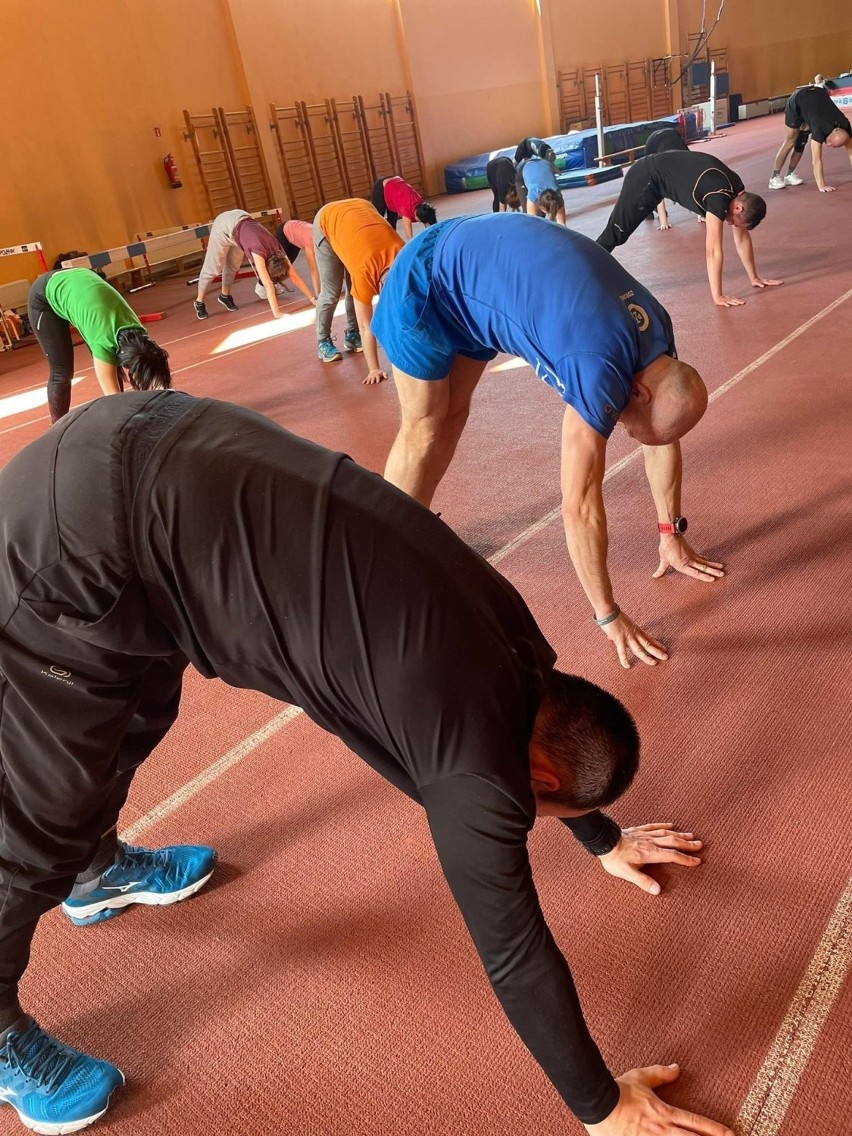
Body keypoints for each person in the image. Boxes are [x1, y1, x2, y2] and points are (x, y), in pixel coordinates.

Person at [0, 389, 732, 1136]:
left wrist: (602, 837)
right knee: (39, 825)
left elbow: (555, 763)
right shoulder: (472, 762)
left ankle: (96, 871)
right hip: (77, 542)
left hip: (155, 436)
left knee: (139, 707)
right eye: (534, 807)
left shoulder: (514, 638)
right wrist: (600, 1107)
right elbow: (514, 953)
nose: (515, 817)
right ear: (535, 780)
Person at [373, 214, 724, 667]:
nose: (627, 433)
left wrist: (670, 531)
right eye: (631, 429)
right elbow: (579, 505)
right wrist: (608, 615)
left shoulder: (655, 334)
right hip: (431, 279)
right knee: (424, 428)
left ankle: (407, 525)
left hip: (479, 270)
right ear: (637, 392)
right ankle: (383, 549)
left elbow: (661, 434)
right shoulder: (596, 366)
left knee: (453, 417)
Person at [596, 151, 782, 308]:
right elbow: (713, 250)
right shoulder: (718, 198)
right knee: (616, 234)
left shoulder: (738, 191)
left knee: (617, 235)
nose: (731, 224)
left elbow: (741, 238)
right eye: (734, 221)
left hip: (661, 175)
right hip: (646, 177)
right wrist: (718, 296)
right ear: (738, 208)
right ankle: (581, 269)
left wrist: (754, 277)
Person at [27, 267, 171, 423]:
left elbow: (156, 372)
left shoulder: (140, 334)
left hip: (80, 281)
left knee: (113, 367)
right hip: (45, 296)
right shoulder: (102, 342)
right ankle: (55, 430)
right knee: (62, 373)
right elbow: (112, 399)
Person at [312, 198, 403, 382]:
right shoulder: (365, 274)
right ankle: (323, 341)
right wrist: (374, 369)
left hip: (362, 208)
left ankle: (351, 335)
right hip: (327, 219)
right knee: (331, 292)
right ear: (378, 286)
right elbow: (366, 325)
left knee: (355, 287)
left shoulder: (405, 256)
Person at [193, 209, 314, 320]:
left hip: (242, 220)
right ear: (266, 266)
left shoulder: (279, 250)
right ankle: (199, 302)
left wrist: (312, 299)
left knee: (233, 266)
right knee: (213, 268)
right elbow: (267, 285)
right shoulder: (258, 252)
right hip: (224, 225)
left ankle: (225, 296)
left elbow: (294, 276)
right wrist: (276, 313)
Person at [769, 81, 852, 191]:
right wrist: (821, 185)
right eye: (831, 144)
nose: (828, 145)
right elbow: (816, 160)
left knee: (802, 140)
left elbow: (851, 152)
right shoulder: (819, 129)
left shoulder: (846, 125)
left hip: (814, 107)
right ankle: (774, 177)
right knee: (790, 140)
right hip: (798, 101)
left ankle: (789, 174)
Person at [642, 128, 689, 230]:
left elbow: (694, 187)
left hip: (673, 135)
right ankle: (648, 209)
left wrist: (701, 214)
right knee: (650, 181)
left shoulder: (688, 161)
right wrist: (664, 222)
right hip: (653, 142)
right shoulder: (661, 167)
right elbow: (659, 188)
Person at [370, 175, 438, 241]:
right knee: (377, 217)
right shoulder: (406, 211)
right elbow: (409, 237)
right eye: (420, 221)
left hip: (394, 187)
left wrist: (434, 237)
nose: (419, 222)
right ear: (416, 216)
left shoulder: (422, 205)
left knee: (392, 223)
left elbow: (428, 224)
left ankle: (391, 242)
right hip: (382, 185)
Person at [274, 217, 320, 296]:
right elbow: (313, 269)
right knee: (280, 265)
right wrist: (318, 293)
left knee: (289, 263)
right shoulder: (310, 242)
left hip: (296, 235)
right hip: (283, 232)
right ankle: (262, 285)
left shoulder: (322, 236)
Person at [516, 156, 567, 223]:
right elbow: (532, 224)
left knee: (550, 220)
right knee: (533, 217)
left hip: (544, 163)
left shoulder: (557, 197)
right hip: (525, 167)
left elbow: (562, 224)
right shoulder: (533, 193)